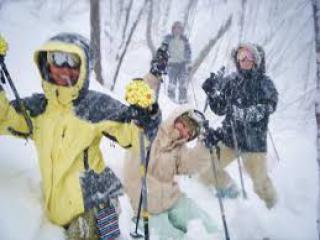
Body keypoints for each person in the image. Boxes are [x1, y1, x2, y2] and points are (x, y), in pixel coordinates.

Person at [0, 33, 162, 240]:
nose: (64, 67)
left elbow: (134, 136)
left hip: (94, 204)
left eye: (73, 60)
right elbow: (5, 118)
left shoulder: (94, 106)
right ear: (46, 63)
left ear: (83, 68)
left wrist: (148, 115)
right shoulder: (37, 109)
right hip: (59, 210)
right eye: (57, 58)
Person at [201, 43, 278, 209]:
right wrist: (212, 92)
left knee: (260, 185)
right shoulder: (231, 81)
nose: (244, 60)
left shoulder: (265, 83)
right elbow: (220, 108)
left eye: (248, 56)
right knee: (207, 170)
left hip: (253, 143)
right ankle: (231, 191)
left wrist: (245, 113)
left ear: (256, 60)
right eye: (240, 56)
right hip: (230, 138)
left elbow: (270, 105)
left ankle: (274, 207)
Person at [124, 108, 218, 240]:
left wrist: (205, 147)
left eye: (190, 133)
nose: (184, 132)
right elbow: (130, 135)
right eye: (184, 125)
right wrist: (142, 119)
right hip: (145, 205)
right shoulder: (151, 131)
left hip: (172, 199)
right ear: (176, 118)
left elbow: (190, 165)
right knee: (174, 237)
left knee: (208, 226)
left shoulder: (179, 147)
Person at [163, 21, 192, 104]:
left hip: (182, 64)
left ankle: (182, 100)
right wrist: (163, 59)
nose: (177, 30)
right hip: (172, 64)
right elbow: (163, 49)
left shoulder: (184, 40)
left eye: (179, 28)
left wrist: (188, 63)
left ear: (182, 30)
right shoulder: (168, 38)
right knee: (172, 83)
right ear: (173, 29)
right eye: (176, 28)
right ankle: (170, 100)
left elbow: (188, 52)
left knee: (183, 83)